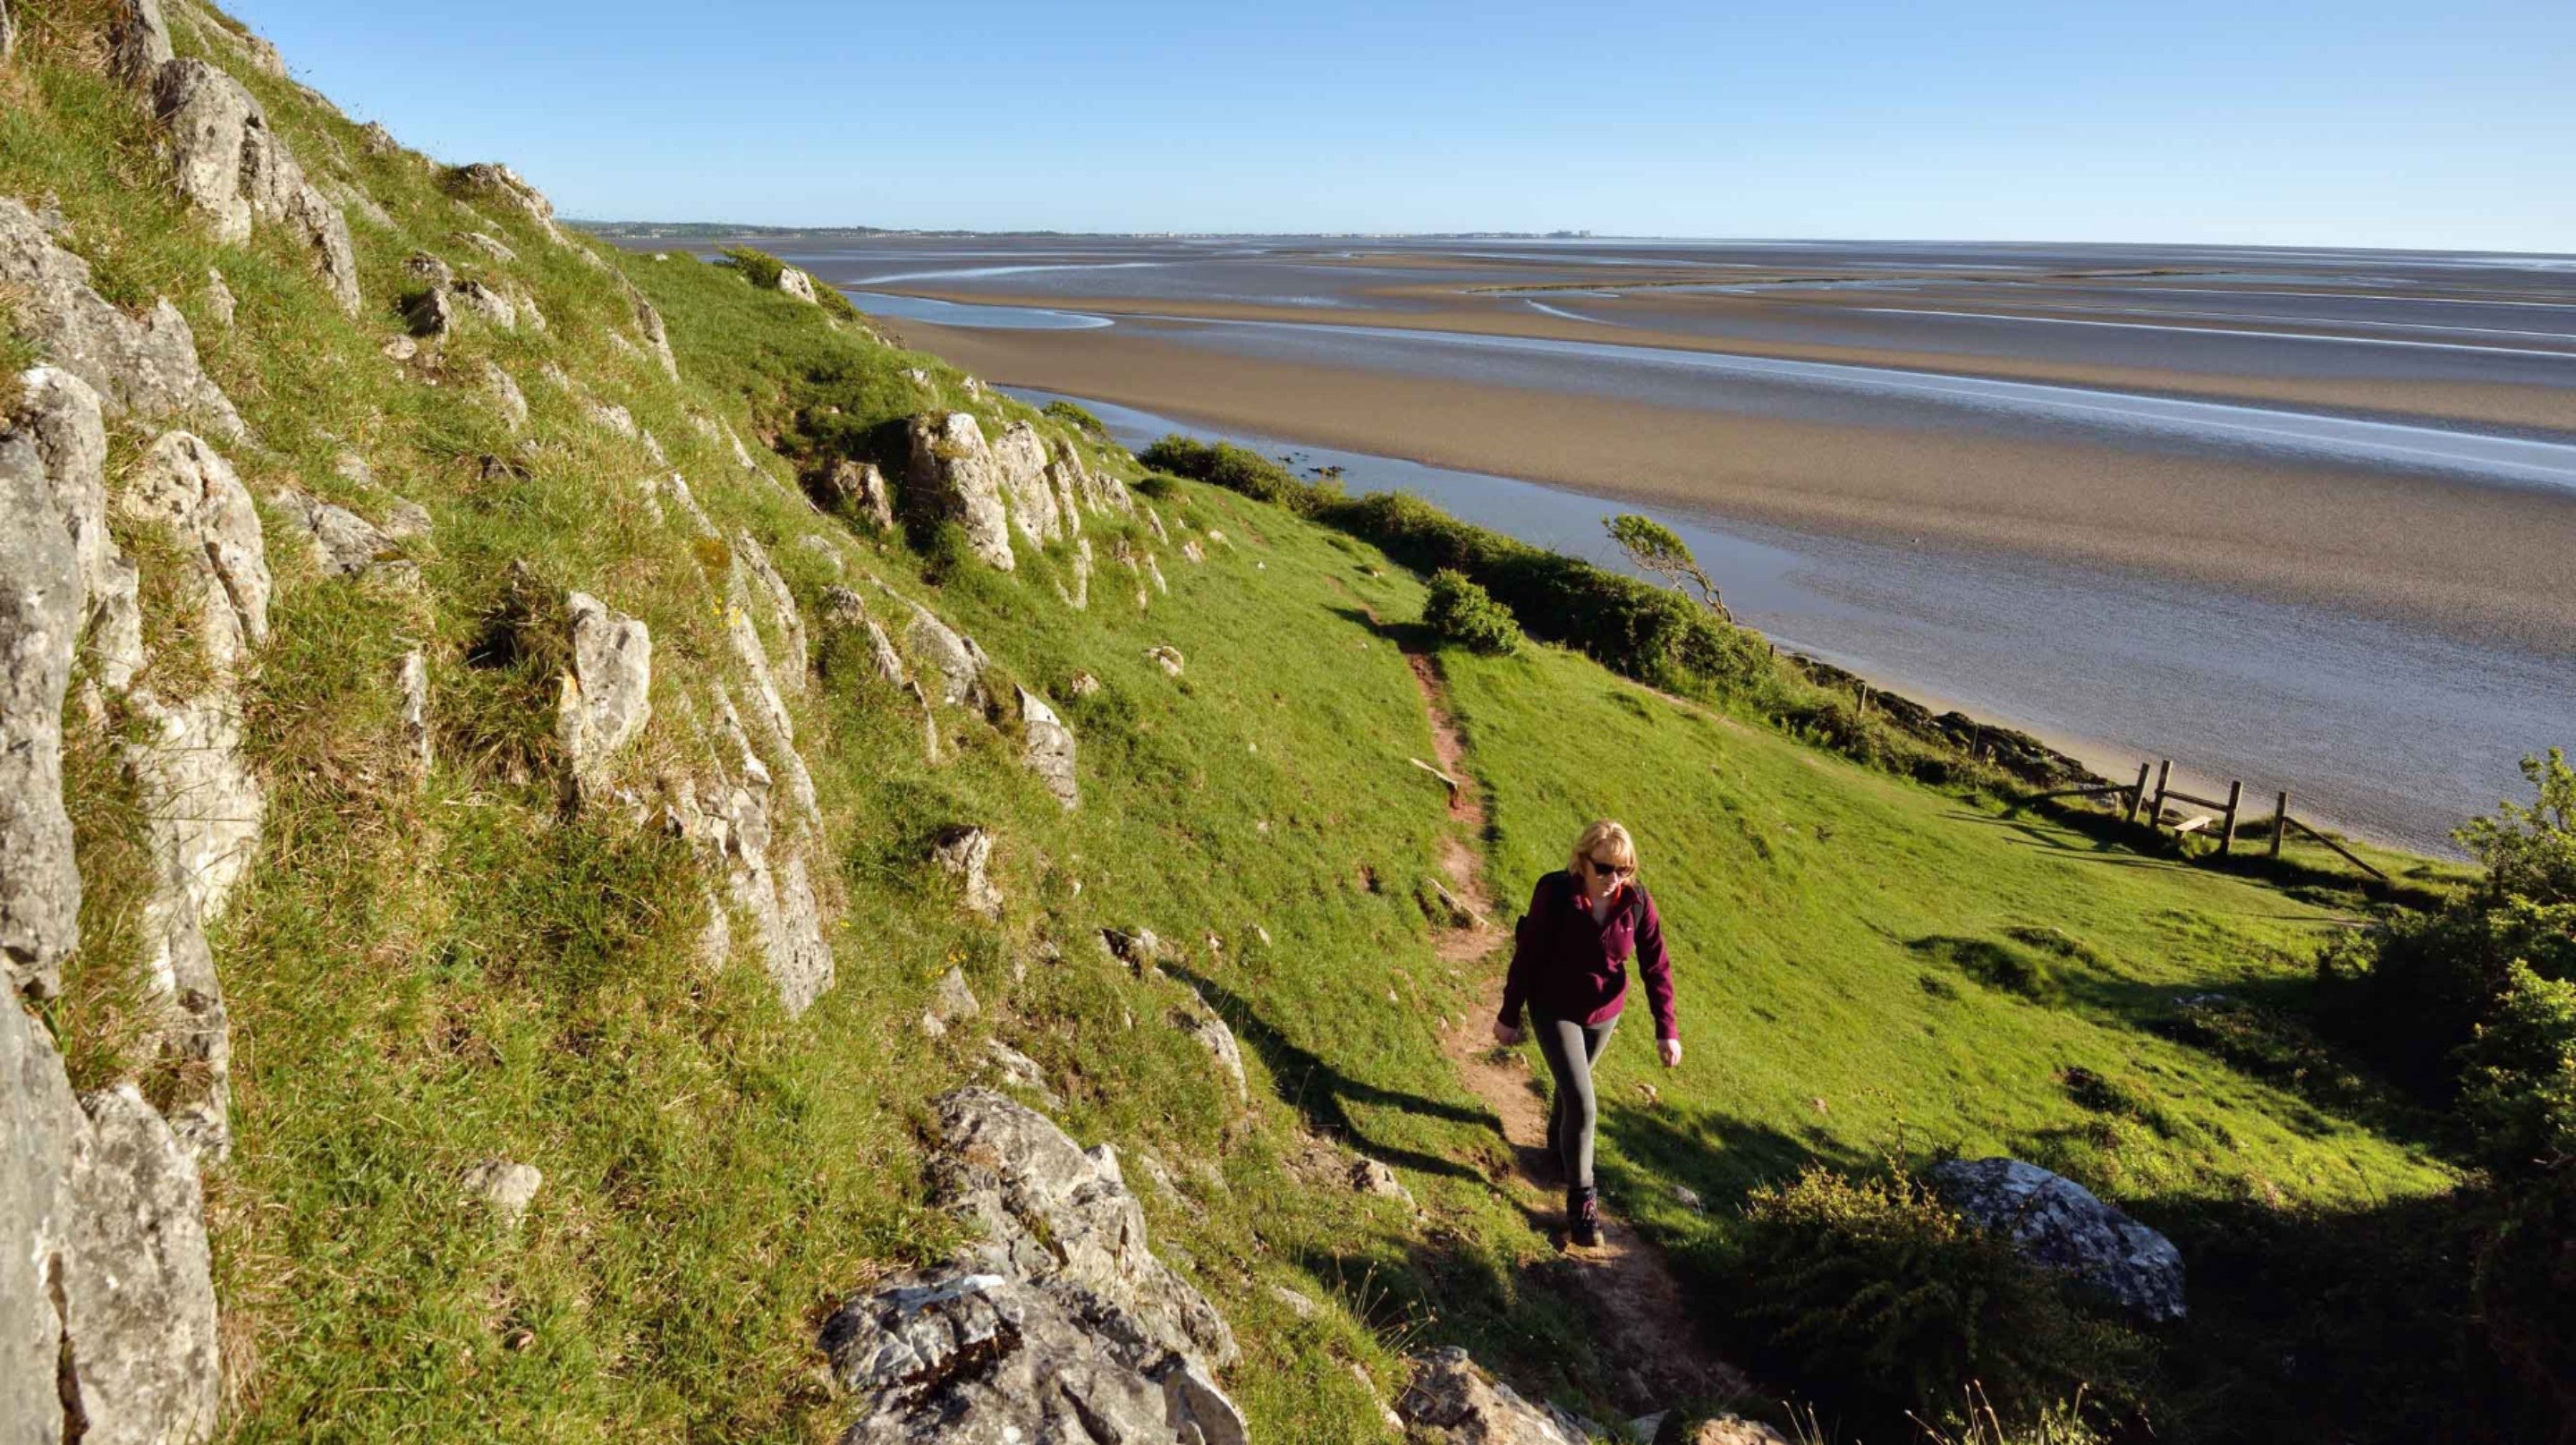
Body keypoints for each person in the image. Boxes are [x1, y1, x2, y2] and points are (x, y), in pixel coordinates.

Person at [1492, 819, 1680, 1247]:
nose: (1615, 880)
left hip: (1604, 1013)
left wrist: (1666, 1029)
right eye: (1606, 869)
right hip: (1554, 1005)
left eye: (1625, 870)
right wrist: (1509, 1012)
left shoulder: (1636, 902)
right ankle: (1581, 1202)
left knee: (1569, 1090)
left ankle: (1557, 1156)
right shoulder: (1556, 893)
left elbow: (1656, 965)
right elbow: (1528, 954)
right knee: (1582, 1099)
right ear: (1582, 862)